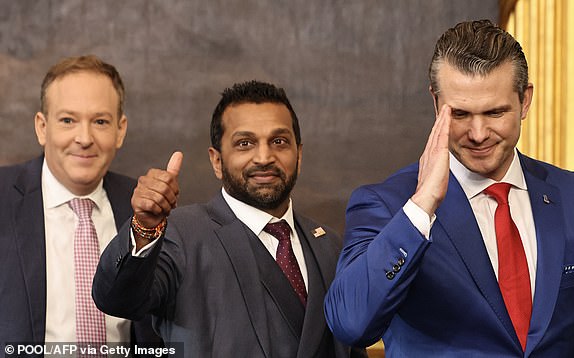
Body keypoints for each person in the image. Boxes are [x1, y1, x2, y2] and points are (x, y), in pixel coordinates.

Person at [324, 19, 574, 357]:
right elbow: (351, 324)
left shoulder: (568, 193)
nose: (478, 133)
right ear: (435, 102)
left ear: (525, 100)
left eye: (495, 112)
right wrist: (421, 208)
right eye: (460, 114)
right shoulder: (386, 204)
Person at [92, 80, 366, 358]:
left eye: (279, 141)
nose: (264, 157)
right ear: (217, 161)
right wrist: (144, 228)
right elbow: (118, 299)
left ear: (299, 155)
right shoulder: (179, 235)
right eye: (245, 143)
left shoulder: (330, 245)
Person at [0, 55, 159, 352]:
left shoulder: (146, 207)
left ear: (120, 130)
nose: (84, 138)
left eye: (100, 121)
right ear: (42, 127)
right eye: (68, 120)